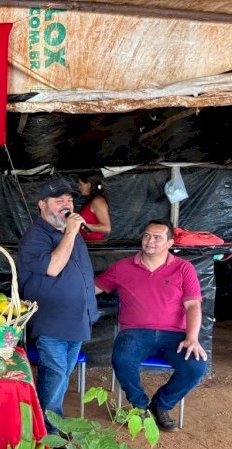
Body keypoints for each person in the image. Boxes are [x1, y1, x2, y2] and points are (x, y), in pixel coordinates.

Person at [95, 219, 208, 432]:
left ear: (170, 243)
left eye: (157, 237)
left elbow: (193, 305)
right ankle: (139, 407)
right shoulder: (123, 267)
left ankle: (161, 406)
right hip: (135, 333)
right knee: (122, 358)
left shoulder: (184, 268)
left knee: (196, 366)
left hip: (174, 335)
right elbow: (93, 288)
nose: (150, 241)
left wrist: (192, 337)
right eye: (147, 235)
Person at [17, 178, 98, 433]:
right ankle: (49, 428)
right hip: (52, 321)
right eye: (59, 200)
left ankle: (47, 422)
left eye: (70, 200)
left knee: (61, 374)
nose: (67, 204)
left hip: (75, 319)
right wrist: (72, 232)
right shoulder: (36, 236)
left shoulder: (68, 232)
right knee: (55, 373)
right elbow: (53, 267)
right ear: (42, 205)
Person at [77, 173, 111, 241]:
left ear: (89, 185)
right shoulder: (90, 201)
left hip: (94, 246)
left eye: (80, 184)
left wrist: (81, 226)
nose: (78, 188)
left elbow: (106, 228)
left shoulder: (98, 201)